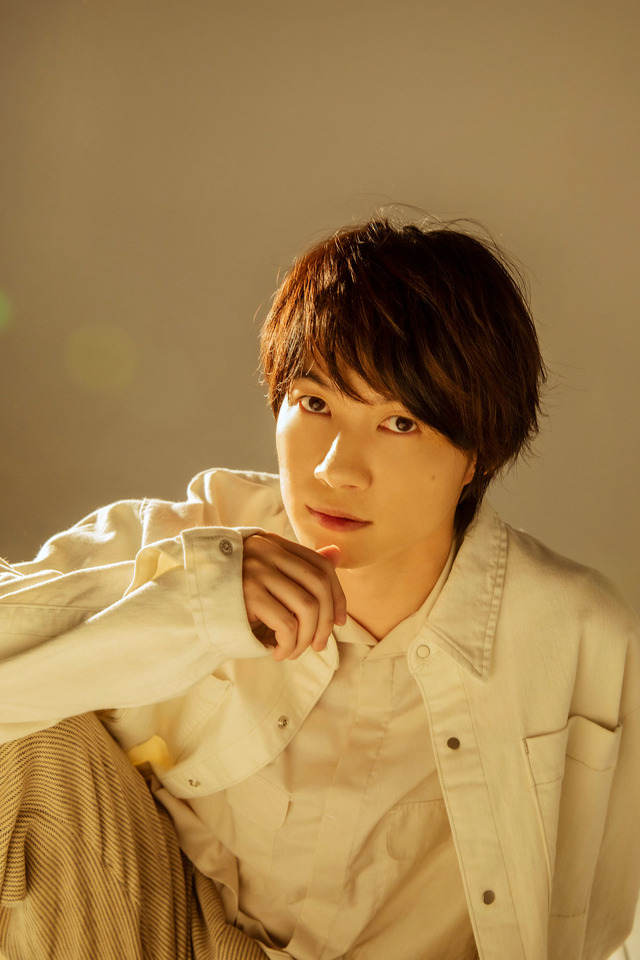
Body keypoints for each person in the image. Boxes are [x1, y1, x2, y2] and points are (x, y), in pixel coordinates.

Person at [0, 216, 638, 960]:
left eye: (400, 422)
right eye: (314, 403)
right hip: (175, 936)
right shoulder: (204, 535)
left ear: (479, 452)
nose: (337, 467)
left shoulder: (578, 635)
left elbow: (606, 923)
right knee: (31, 740)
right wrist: (198, 604)